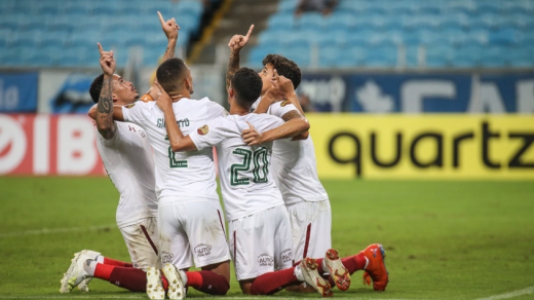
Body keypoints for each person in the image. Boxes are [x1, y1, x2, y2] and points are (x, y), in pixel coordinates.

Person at [154, 65, 341, 297]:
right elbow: (302, 123)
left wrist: (167, 110)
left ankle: (302, 271)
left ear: (230, 93)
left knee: (252, 287)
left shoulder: (221, 125)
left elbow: (178, 144)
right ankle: (323, 266)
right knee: (286, 282)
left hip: (246, 216)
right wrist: (264, 135)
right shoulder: (267, 121)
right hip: (275, 208)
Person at [227, 26, 390, 292]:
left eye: (265, 72)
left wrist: (265, 133)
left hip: (303, 203)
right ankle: (365, 258)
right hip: (287, 204)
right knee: (292, 278)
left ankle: (366, 258)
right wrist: (235, 55)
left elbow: (302, 128)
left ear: (278, 80)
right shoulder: (263, 104)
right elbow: (235, 87)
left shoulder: (283, 106)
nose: (259, 74)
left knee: (301, 284)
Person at [91, 57, 233, 300]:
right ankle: (185, 277)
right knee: (220, 282)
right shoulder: (209, 109)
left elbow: (98, 113)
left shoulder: (146, 111)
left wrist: (108, 78)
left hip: (167, 209)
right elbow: (238, 109)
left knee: (172, 284)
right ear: (188, 81)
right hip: (201, 202)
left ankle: (179, 276)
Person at [59, 12, 178, 294]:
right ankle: (92, 267)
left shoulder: (135, 114)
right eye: (122, 82)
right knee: (161, 282)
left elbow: (161, 85)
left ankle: (92, 261)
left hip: (151, 209)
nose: (131, 83)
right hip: (139, 212)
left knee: (161, 276)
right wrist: (108, 76)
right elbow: (100, 120)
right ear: (112, 96)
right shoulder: (111, 130)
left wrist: (171, 41)